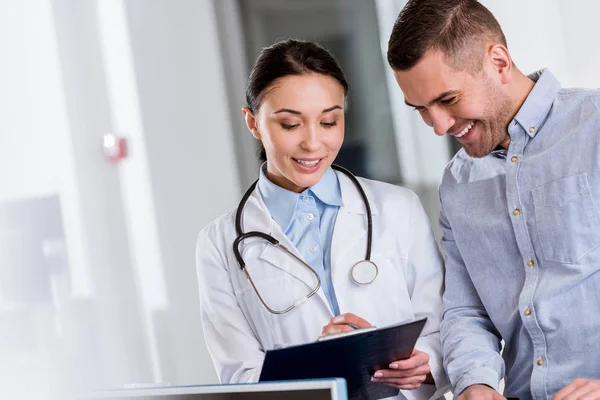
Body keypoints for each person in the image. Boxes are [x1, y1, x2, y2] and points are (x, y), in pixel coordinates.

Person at [196, 38, 449, 399]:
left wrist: (423, 363)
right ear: (252, 122)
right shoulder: (218, 244)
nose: (313, 144)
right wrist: (322, 363)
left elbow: (443, 328)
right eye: (289, 125)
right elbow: (239, 375)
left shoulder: (398, 208)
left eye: (329, 121)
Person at [386, 1, 600, 399]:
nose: (439, 126)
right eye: (421, 110)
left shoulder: (595, 127)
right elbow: (467, 311)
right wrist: (475, 383)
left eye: (448, 99)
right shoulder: (457, 183)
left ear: (499, 62)